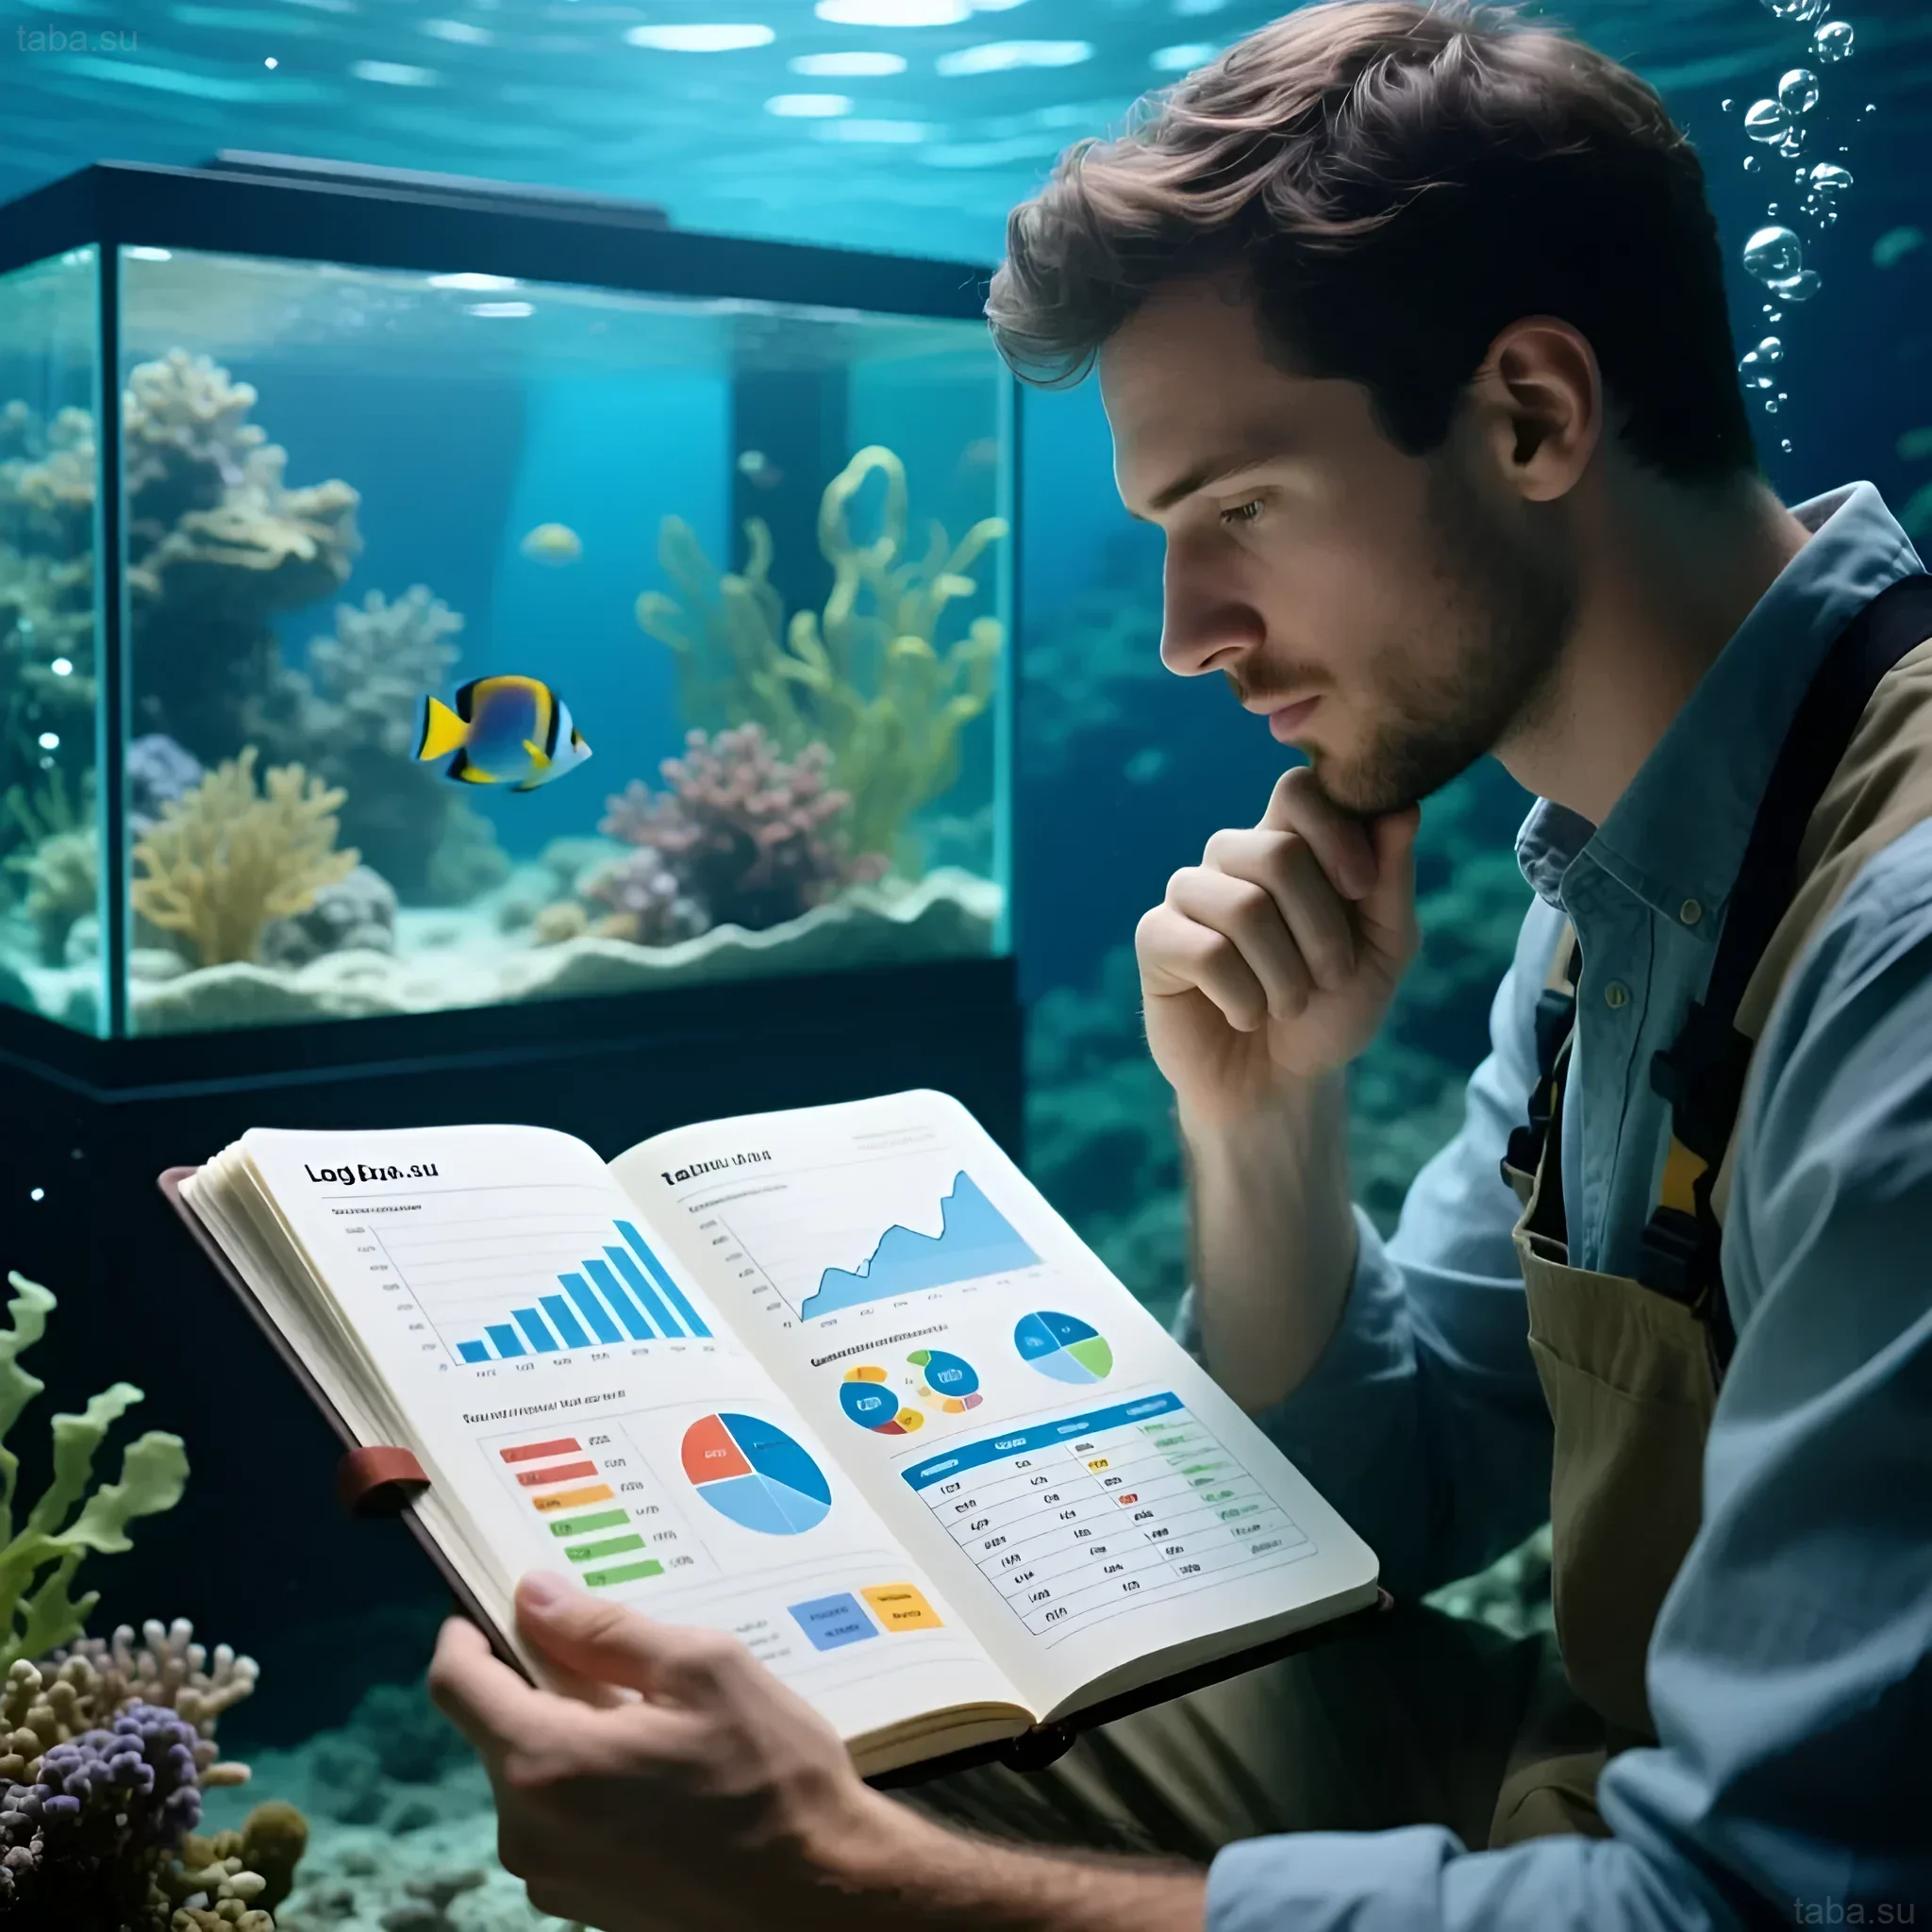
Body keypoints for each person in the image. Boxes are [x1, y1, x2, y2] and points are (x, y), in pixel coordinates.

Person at [427, 5, 1932, 1926]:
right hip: (1595, 1769)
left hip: (1700, 1872)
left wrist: (840, 1874)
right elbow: (1391, 1501)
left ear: (1534, 414)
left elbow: (1756, 1907)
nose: (1183, 632)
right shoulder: (1615, 873)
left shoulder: (1889, 949)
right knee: (802, 1693)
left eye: (1236, 511)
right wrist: (1264, 1124)